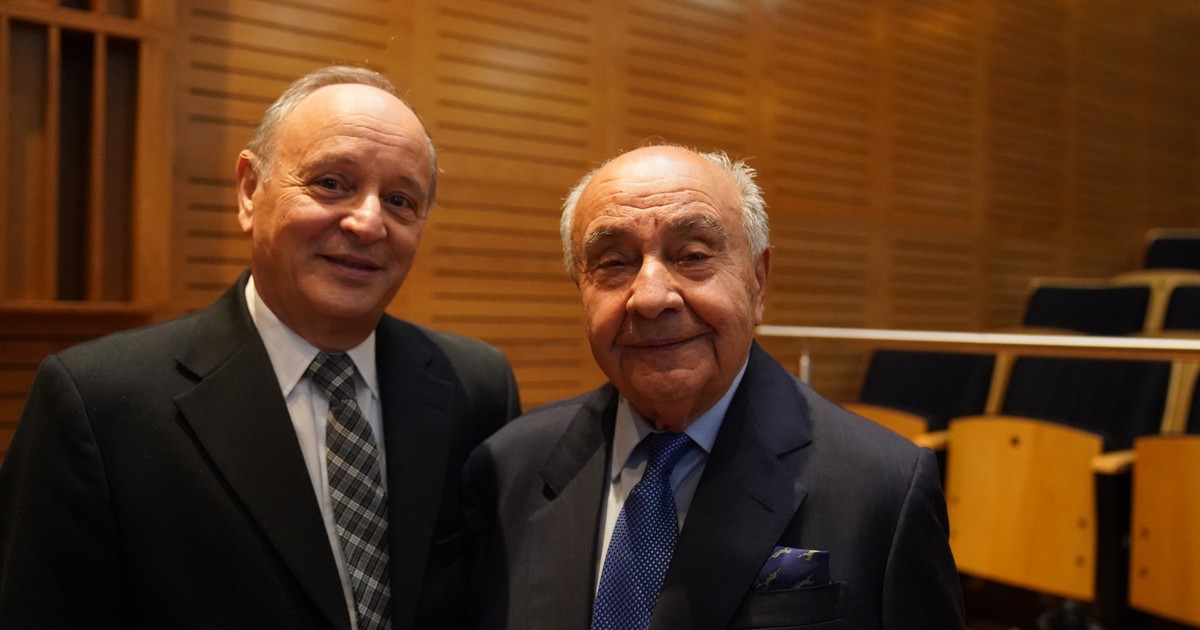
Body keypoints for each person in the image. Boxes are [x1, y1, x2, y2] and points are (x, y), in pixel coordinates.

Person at [0, 66, 521, 629]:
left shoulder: (476, 386)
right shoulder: (99, 403)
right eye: (331, 183)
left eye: (399, 199)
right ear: (250, 190)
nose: (369, 222)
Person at [464, 145, 964, 629]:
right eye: (613, 263)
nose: (651, 297)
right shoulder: (508, 467)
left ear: (758, 280)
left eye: (693, 255)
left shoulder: (883, 487)